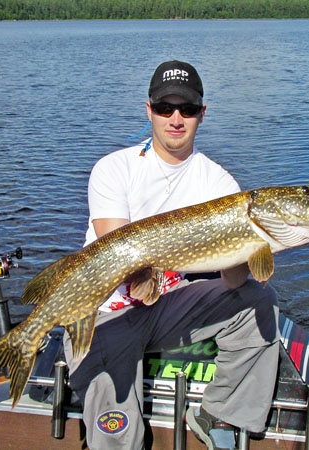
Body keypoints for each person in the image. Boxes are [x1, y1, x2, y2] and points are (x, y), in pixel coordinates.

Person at [64, 60, 280, 450]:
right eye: (165, 108)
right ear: (149, 111)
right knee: (117, 436)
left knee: (258, 300)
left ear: (202, 114)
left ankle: (218, 413)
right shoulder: (114, 169)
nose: (176, 118)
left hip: (169, 308)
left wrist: (247, 247)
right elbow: (119, 252)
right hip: (106, 312)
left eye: (188, 109)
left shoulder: (219, 183)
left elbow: (233, 281)